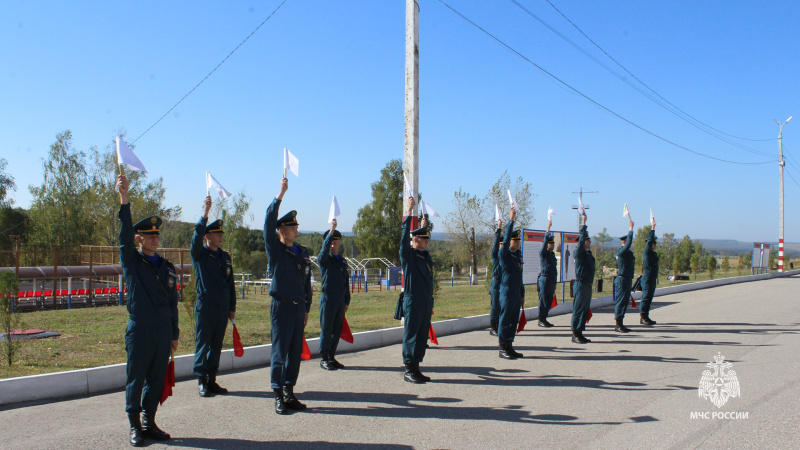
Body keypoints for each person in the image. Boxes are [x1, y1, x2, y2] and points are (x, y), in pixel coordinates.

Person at [116, 174, 179, 447]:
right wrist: (124, 198)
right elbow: (123, 232)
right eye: (149, 236)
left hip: (163, 329)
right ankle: (134, 425)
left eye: (157, 235)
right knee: (136, 377)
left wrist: (174, 332)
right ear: (139, 238)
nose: (155, 239)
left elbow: (173, 303)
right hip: (140, 328)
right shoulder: (132, 261)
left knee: (155, 377)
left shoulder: (166, 266)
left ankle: (149, 421)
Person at [264, 176, 312, 414]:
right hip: (281, 307)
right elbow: (267, 223)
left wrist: (306, 308)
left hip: (297, 308)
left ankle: (289, 391)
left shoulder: (302, 253)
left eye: (296, 227)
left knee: (294, 353)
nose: (296, 230)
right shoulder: (277, 251)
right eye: (292, 227)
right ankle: (277, 395)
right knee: (280, 352)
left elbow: (306, 284)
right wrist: (279, 195)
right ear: (281, 230)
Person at [191, 195, 236, 397]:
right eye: (216, 233)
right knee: (204, 343)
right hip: (206, 306)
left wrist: (232, 307)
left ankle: (212, 379)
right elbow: (195, 239)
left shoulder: (224, 257)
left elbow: (230, 284)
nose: (220, 236)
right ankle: (201, 380)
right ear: (207, 236)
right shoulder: (200, 255)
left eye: (221, 233)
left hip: (222, 307)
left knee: (217, 344)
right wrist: (205, 214)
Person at [399, 197, 434, 383]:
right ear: (415, 240)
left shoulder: (425, 257)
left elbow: (430, 281)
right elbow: (403, 242)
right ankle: (409, 368)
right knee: (411, 336)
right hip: (413, 302)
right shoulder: (409, 256)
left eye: (427, 238)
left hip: (425, 303)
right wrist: (409, 214)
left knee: (421, 337)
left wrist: (431, 303)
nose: (427, 241)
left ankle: (417, 366)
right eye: (424, 238)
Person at [318, 218, 351, 370]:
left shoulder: (342, 261)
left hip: (339, 300)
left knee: (336, 330)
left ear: (339, 244)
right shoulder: (325, 260)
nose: (332, 245)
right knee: (327, 329)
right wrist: (331, 231)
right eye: (330, 242)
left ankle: (331, 356)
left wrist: (346, 301)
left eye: (335, 242)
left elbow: (346, 282)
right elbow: (323, 253)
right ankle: (324, 358)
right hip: (328, 298)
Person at [498, 207, 525, 359]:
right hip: (507, 291)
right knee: (505, 318)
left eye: (518, 240)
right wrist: (511, 220)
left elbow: (519, 277)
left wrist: (522, 294)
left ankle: (509, 344)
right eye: (516, 240)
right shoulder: (504, 255)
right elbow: (505, 239)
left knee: (513, 319)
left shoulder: (517, 257)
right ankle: (502, 347)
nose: (518, 243)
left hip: (516, 291)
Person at [571, 212, 595, 343]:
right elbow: (580, 244)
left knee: (585, 309)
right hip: (580, 285)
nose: (590, 241)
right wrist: (584, 223)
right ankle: (575, 333)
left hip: (587, 285)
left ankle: (580, 332)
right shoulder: (578, 252)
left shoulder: (588, 254)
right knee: (579, 309)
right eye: (587, 240)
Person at [614, 217, 635, 333]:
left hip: (627, 279)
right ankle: (618, 324)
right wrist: (631, 229)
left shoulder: (628, 253)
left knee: (625, 301)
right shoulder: (622, 252)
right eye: (627, 242)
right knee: (621, 301)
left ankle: (621, 322)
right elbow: (628, 245)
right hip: (622, 279)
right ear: (623, 242)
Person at [537, 219, 557, 327]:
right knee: (543, 299)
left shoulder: (552, 255)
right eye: (550, 243)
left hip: (551, 280)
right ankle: (541, 319)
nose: (552, 245)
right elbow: (543, 246)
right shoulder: (543, 253)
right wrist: (548, 230)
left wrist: (555, 283)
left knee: (549, 300)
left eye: (553, 243)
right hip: (544, 279)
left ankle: (544, 318)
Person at [640, 217, 659, 326]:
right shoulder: (647, 251)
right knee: (646, 297)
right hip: (648, 278)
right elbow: (649, 242)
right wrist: (653, 228)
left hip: (652, 278)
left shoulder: (652, 253)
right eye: (654, 242)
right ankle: (643, 317)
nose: (655, 244)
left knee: (649, 297)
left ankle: (646, 316)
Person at [488, 218, 503, 336]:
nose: (503, 247)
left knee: (503, 305)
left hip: (505, 283)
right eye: (501, 245)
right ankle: (493, 327)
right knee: (495, 306)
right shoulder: (496, 255)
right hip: (496, 283)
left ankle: (501, 325)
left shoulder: (507, 257)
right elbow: (495, 244)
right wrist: (499, 228)